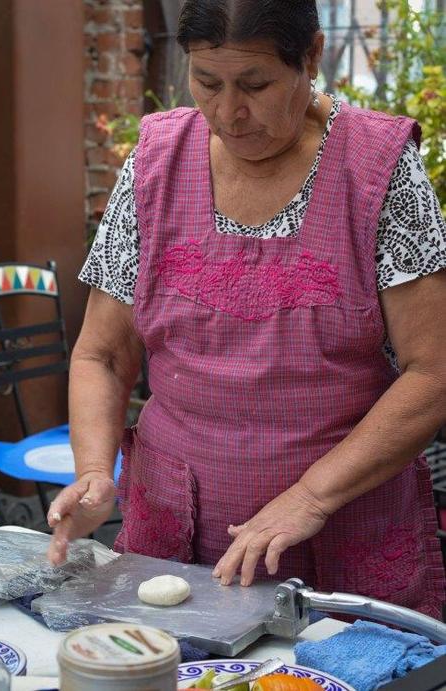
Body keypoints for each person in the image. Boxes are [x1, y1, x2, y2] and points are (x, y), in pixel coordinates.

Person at [48, 0, 446, 618]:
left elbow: (434, 372)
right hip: (173, 539)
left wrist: (310, 498)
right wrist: (96, 470)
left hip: (339, 540)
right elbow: (102, 352)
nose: (228, 113)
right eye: (207, 82)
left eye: (255, 85)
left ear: (311, 56)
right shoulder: (155, 162)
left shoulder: (379, 169)